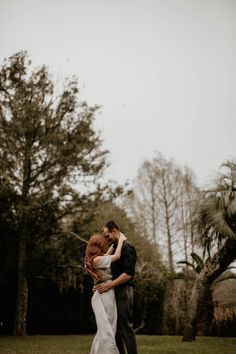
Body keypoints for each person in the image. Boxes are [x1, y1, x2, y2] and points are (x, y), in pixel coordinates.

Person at [94, 220, 138, 354]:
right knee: (116, 329)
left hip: (124, 291)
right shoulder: (116, 247)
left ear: (115, 231)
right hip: (115, 291)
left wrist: (109, 285)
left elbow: (128, 274)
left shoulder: (127, 246)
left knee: (126, 327)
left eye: (107, 236)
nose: (106, 239)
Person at [85, 232, 127, 354]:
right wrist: (121, 241)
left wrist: (113, 244)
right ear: (99, 246)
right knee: (108, 329)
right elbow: (117, 256)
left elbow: (108, 255)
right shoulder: (97, 260)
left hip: (103, 294)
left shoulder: (96, 259)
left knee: (104, 329)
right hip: (105, 296)